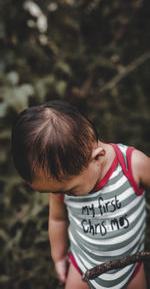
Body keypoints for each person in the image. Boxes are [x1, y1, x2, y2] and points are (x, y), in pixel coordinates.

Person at [11, 99, 150, 289]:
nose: (61, 194)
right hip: (82, 267)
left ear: (97, 158)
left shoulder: (133, 166)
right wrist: (59, 257)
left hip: (131, 268)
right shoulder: (62, 186)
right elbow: (58, 219)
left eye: (69, 190)